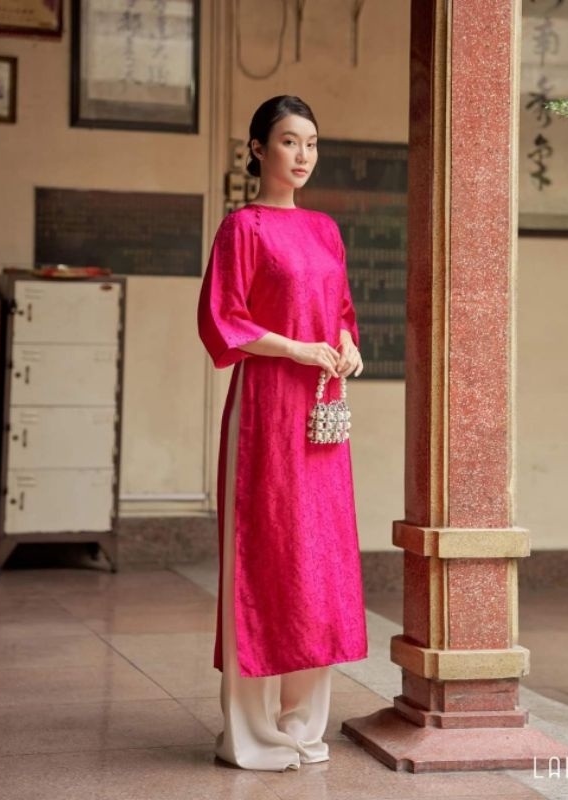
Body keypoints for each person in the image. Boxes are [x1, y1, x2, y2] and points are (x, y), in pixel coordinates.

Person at [197, 95, 368, 771]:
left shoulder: (325, 229)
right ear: (258, 149)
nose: (303, 155)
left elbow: (342, 310)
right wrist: (296, 349)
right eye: (290, 141)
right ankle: (251, 734)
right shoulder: (242, 229)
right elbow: (223, 318)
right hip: (266, 409)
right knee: (265, 554)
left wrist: (348, 345)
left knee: (317, 560)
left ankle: (302, 725)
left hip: (322, 414)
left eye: (312, 143)